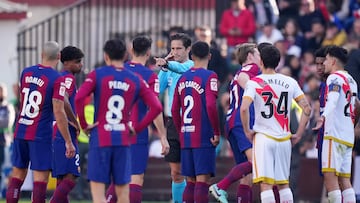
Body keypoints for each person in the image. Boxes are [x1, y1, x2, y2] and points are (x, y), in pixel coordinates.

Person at [75, 39, 162, 203]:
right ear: (125, 55)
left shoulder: (97, 74)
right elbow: (156, 107)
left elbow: (79, 98)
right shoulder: (134, 79)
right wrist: (138, 127)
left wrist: (85, 126)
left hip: (101, 138)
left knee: (99, 194)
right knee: (123, 193)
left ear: (105, 56)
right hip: (123, 139)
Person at [6, 41, 76, 203]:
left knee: (17, 176)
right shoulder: (57, 79)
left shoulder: (26, 72)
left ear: (41, 54)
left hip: (21, 130)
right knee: (40, 180)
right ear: (58, 56)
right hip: (40, 134)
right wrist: (68, 141)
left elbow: (22, 101)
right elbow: (59, 111)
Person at [240, 45, 311, 202]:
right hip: (284, 139)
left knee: (266, 184)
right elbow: (307, 108)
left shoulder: (254, 82)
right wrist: (299, 133)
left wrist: (247, 130)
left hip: (264, 138)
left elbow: (244, 108)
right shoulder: (290, 81)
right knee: (283, 184)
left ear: (261, 62)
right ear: (278, 62)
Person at [105, 35, 170, 203]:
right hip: (136, 132)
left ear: (131, 50)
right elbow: (154, 108)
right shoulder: (149, 76)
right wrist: (163, 136)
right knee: (135, 178)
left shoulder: (118, 70)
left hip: (114, 129)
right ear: (149, 52)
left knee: (118, 177)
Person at [209, 43, 262, 203]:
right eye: (258, 54)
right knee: (257, 162)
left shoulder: (240, 71)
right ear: (250, 56)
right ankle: (220, 186)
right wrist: (254, 88)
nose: (261, 58)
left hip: (232, 123)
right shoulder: (251, 69)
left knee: (247, 175)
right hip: (241, 122)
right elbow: (243, 79)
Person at [171, 41, 220, 203]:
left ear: (191, 56)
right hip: (203, 135)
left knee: (190, 181)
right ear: (210, 56)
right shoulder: (210, 76)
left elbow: (173, 110)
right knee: (202, 181)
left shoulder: (182, 78)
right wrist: (216, 132)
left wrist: (180, 130)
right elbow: (211, 105)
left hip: (186, 135)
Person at [313, 46, 358, 203]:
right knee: (345, 181)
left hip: (334, 134)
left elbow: (332, 98)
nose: (323, 63)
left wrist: (323, 117)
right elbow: (356, 106)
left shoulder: (334, 77)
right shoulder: (352, 81)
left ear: (332, 60)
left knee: (330, 178)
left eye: (325, 60)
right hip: (347, 135)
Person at [155, 33, 193, 203]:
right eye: (172, 48)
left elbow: (182, 69)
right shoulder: (169, 68)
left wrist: (167, 64)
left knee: (192, 173)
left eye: (179, 48)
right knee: (175, 173)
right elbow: (157, 89)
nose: (175, 52)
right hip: (173, 123)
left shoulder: (192, 66)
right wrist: (164, 68)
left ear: (188, 49)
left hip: (191, 123)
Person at [50, 46, 84, 203]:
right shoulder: (68, 78)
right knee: (72, 175)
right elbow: (62, 98)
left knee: (62, 179)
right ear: (67, 62)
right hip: (65, 132)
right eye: (78, 62)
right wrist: (74, 121)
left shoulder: (60, 77)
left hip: (57, 132)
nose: (81, 65)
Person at [0, 83, 16, 193]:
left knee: (4, 169)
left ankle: (3, 191)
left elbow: (7, 123)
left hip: (4, 142)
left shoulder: (8, 106)